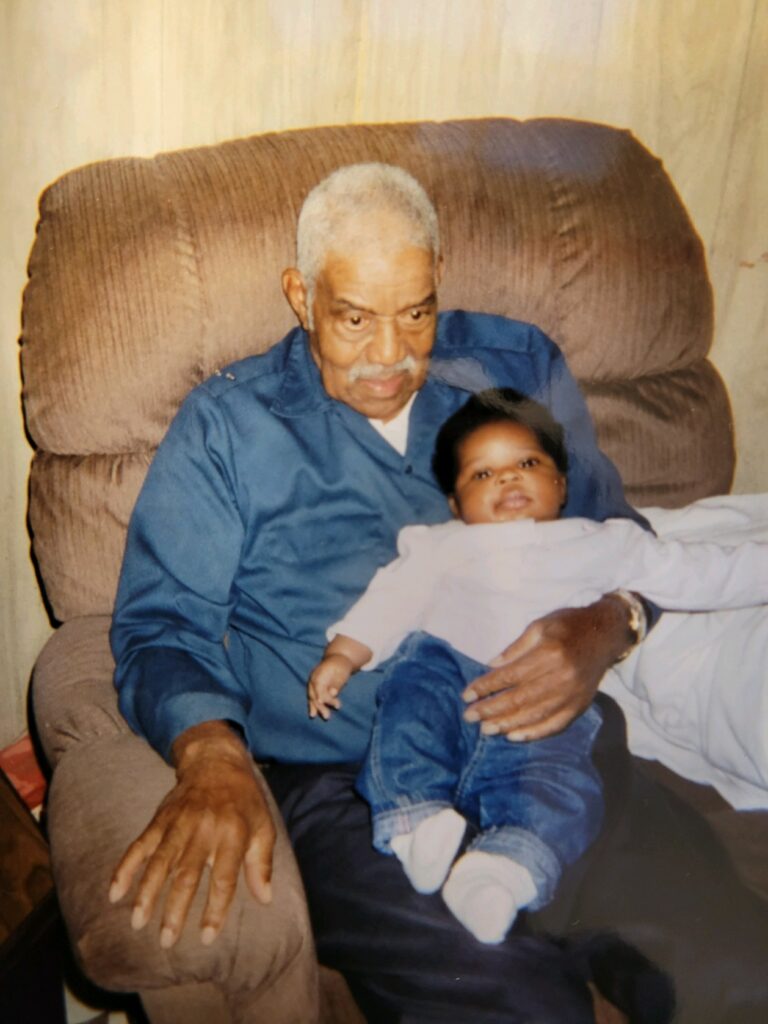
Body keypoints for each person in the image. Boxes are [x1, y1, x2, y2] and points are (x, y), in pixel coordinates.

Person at [108, 162, 768, 1023]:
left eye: (415, 313)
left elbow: (622, 539)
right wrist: (213, 754)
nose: (391, 357)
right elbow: (160, 625)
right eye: (353, 319)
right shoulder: (228, 426)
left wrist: (609, 626)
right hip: (354, 783)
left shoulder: (516, 361)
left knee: (739, 969)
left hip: (551, 743)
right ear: (299, 295)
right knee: (512, 1003)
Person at [308, 387, 767, 946]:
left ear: (561, 484)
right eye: (482, 474)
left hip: (546, 696)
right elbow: (390, 600)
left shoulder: (605, 542)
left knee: (561, 782)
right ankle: (416, 823)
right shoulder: (439, 545)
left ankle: (504, 870)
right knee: (408, 718)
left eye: (527, 463)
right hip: (444, 668)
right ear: (456, 504)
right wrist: (343, 655)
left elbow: (701, 572)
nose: (506, 480)